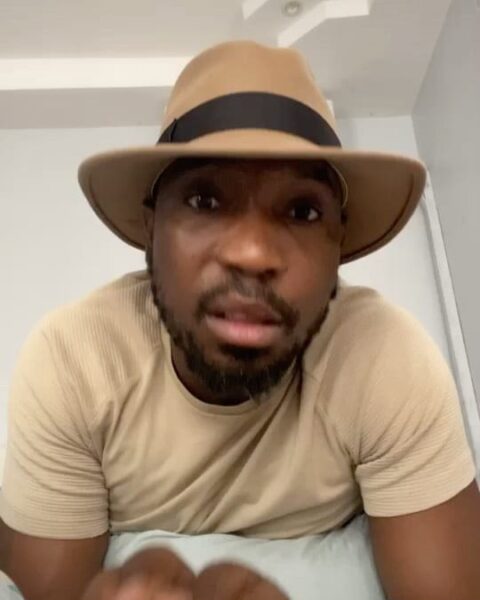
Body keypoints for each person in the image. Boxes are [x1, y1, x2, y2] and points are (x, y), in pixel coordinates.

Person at [0, 40, 479, 600]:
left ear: (338, 250)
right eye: (204, 201)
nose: (253, 254)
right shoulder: (73, 362)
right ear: (151, 231)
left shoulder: (387, 361)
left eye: (302, 211)